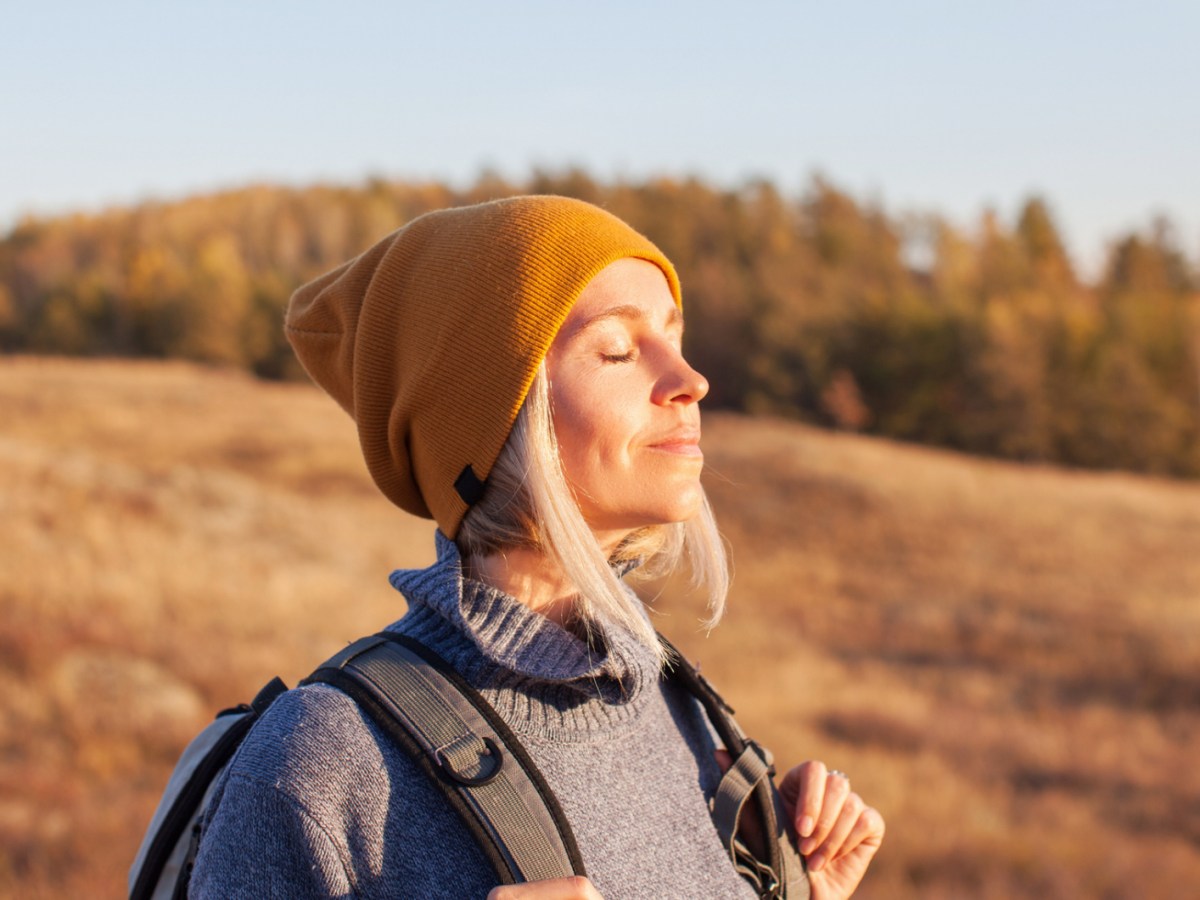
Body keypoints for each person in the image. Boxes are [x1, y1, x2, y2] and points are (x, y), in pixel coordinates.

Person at [190, 195, 884, 899]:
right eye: (617, 349)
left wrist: (796, 888)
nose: (690, 382)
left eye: (676, 340)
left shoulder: (678, 706)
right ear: (493, 421)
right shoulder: (323, 759)